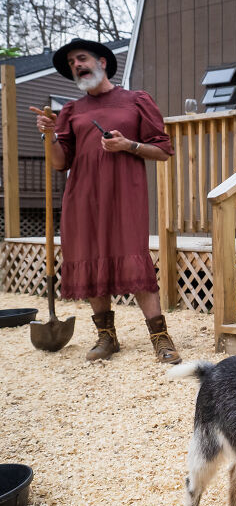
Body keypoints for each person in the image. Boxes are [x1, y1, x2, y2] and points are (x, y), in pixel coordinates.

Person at [30, 38, 181, 364]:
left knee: (133, 256)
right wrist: (50, 135)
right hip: (82, 198)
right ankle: (106, 337)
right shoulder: (71, 111)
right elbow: (59, 162)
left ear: (101, 61)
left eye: (81, 58)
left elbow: (163, 151)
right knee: (89, 258)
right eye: (71, 63)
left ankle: (160, 337)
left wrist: (128, 145)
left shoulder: (135, 101)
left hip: (125, 195)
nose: (77, 65)